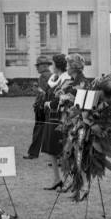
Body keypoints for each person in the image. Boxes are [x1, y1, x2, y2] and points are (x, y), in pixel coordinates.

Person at [40, 54, 71, 189]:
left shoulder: (66, 79)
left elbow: (63, 97)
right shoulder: (54, 78)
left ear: (57, 65)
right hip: (51, 116)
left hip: (60, 117)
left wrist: (50, 104)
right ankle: (57, 179)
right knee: (51, 149)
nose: (51, 66)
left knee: (62, 149)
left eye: (52, 64)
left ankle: (68, 179)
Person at [24, 55, 52, 159]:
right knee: (50, 131)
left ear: (44, 66)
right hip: (48, 107)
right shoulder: (52, 75)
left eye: (38, 66)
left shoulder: (43, 77)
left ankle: (33, 153)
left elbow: (44, 94)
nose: (37, 68)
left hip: (42, 108)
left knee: (38, 130)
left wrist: (37, 90)